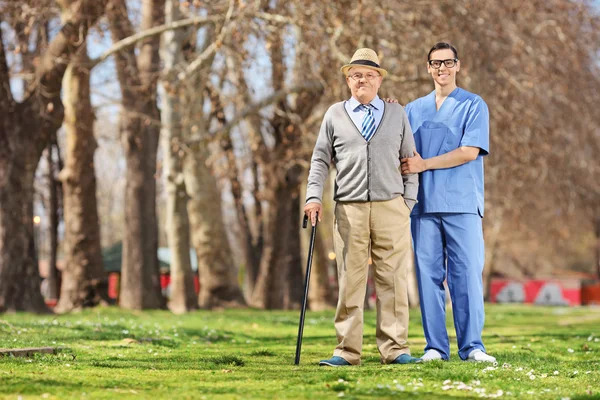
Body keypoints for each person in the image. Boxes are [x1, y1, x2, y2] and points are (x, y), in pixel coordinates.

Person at [304, 48, 419, 366]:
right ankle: (346, 351)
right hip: (349, 209)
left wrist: (407, 202)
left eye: (369, 74)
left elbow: (409, 161)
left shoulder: (397, 114)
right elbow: (320, 160)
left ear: (380, 79)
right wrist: (313, 196)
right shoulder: (334, 115)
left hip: (391, 207)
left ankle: (396, 349)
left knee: (393, 280)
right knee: (350, 280)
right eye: (356, 75)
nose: (362, 80)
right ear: (348, 80)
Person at [401, 42, 496, 363]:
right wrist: (385, 111)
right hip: (423, 206)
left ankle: (473, 347)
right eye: (435, 63)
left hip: (462, 204)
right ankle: (434, 348)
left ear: (458, 65)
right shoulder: (412, 109)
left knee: (466, 274)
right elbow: (399, 148)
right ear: (427, 68)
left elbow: (469, 151)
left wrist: (425, 164)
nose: (442, 68)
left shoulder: (473, 105)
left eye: (448, 62)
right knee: (427, 276)